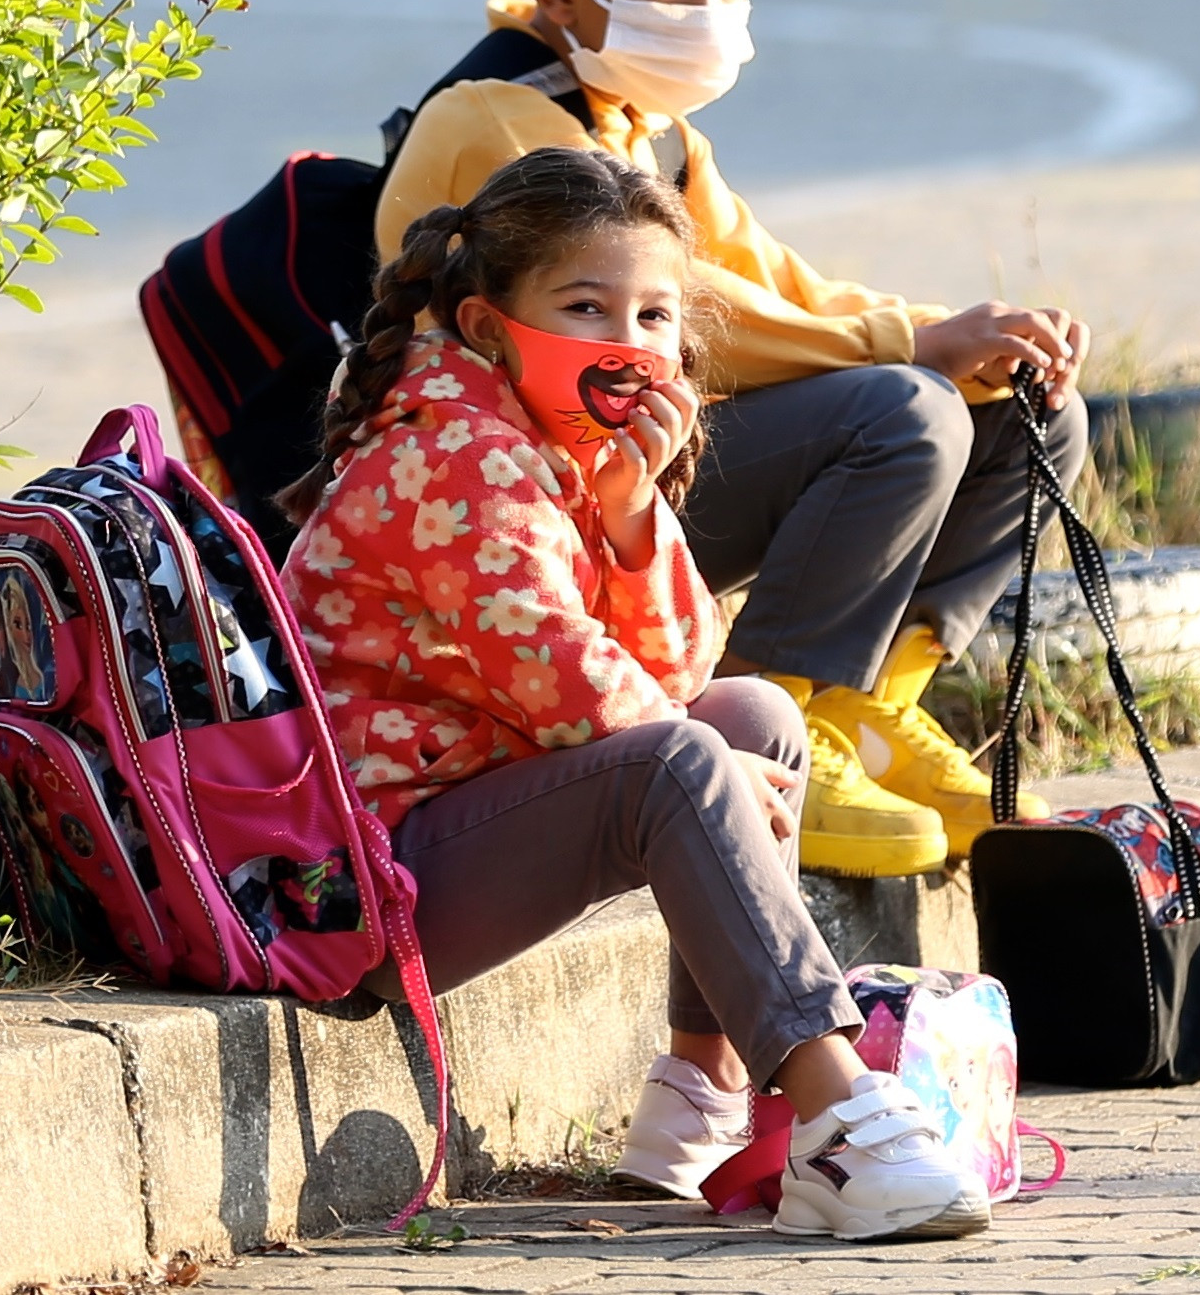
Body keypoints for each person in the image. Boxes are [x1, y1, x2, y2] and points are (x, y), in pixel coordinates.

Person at [374, 0, 1090, 882]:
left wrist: (962, 336)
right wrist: (914, 344)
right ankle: (768, 724)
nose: (702, 9)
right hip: (529, 519)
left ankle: (863, 715)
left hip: (632, 472)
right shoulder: (498, 123)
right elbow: (704, 322)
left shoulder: (653, 136)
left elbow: (784, 284)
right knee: (902, 411)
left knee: (1028, 412)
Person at [280, 145, 990, 1240]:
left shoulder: (551, 443)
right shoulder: (452, 451)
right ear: (485, 327)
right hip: (368, 877)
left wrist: (627, 513)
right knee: (684, 757)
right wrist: (701, 770)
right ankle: (840, 1117)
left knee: (751, 718)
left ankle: (694, 1111)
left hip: (462, 812)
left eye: (656, 316)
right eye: (586, 306)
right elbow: (563, 681)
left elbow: (681, 676)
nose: (630, 344)